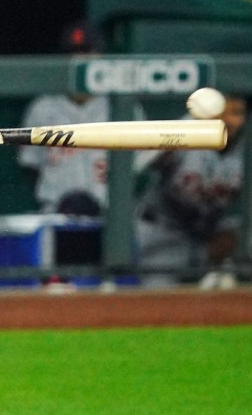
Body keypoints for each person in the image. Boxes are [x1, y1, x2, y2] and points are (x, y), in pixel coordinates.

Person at [17, 20, 146, 291]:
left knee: (118, 292)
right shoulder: (43, 107)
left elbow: (141, 167)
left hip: (111, 217)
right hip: (56, 218)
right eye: (72, 52)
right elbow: (30, 166)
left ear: (100, 56)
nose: (80, 59)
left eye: (87, 51)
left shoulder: (122, 105)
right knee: (50, 293)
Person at [134, 94, 246, 290]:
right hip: (164, 234)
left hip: (210, 238)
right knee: (156, 299)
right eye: (221, 112)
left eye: (236, 113)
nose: (228, 120)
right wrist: (188, 124)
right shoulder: (186, 139)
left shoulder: (245, 153)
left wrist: (233, 234)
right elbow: (140, 164)